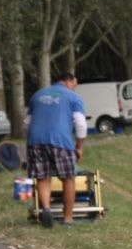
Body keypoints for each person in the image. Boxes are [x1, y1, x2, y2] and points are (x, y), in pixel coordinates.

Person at [24, 72, 87, 228]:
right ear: (68, 81)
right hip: (60, 141)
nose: (75, 88)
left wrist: (33, 137)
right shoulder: (73, 97)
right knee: (68, 178)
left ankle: (46, 209)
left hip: (35, 140)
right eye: (75, 84)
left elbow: (26, 124)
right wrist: (79, 147)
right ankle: (67, 218)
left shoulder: (37, 95)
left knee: (43, 177)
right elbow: (81, 125)